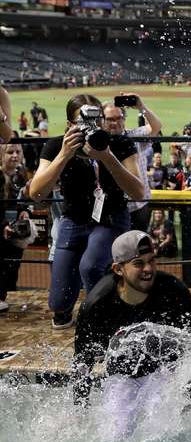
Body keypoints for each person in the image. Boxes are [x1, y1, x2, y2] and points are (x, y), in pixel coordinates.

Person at [30, 95, 145, 329]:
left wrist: (107, 157)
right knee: (58, 302)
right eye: (83, 121)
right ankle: (69, 312)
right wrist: (63, 155)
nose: (91, 127)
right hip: (73, 220)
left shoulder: (119, 144)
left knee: (91, 266)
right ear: (70, 125)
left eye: (96, 120)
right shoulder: (56, 146)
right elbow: (36, 193)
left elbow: (138, 192)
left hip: (111, 218)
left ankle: (104, 321)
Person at [71, 230, 191, 441]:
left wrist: (188, 394)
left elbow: (188, 345)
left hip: (162, 371)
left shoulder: (174, 292)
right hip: (122, 376)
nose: (148, 269)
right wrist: (79, 409)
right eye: (138, 263)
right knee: (116, 437)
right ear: (118, 269)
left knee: (164, 435)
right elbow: (83, 361)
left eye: (152, 261)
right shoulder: (97, 305)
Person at [102, 95, 163, 230]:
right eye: (110, 119)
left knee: (138, 247)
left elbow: (156, 126)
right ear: (102, 120)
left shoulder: (133, 136)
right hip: (111, 208)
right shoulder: (99, 142)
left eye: (119, 118)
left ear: (124, 119)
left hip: (138, 205)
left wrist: (141, 107)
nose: (115, 122)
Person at [1, 143, 33, 311]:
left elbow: (25, 201)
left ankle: (7, 300)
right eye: (9, 152)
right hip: (3, 230)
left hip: (15, 231)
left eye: (17, 152)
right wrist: (3, 226)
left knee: (13, 267)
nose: (14, 155)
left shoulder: (21, 174)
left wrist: (25, 212)